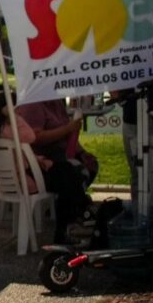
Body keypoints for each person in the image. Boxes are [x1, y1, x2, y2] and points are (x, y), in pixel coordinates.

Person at [15, 99, 93, 243]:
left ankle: (75, 210)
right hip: (39, 164)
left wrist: (82, 153)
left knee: (84, 168)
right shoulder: (32, 105)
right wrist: (67, 129)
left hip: (59, 158)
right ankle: (70, 223)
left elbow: (68, 134)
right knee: (71, 174)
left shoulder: (57, 103)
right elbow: (35, 138)